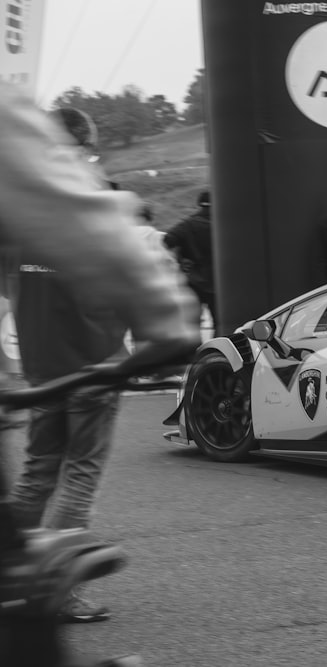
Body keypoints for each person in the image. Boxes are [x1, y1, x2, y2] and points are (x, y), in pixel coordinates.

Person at [0, 82, 200, 663]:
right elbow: (104, 241)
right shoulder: (26, 150)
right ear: (79, 146)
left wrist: (11, 367)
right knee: (79, 474)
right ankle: (57, 594)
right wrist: (166, 328)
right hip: (90, 369)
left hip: (36, 371)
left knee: (37, 474)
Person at [164, 191, 217, 336]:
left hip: (194, 280)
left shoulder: (187, 224)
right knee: (221, 322)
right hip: (221, 283)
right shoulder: (225, 224)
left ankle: (194, 354)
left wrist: (181, 259)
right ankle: (218, 353)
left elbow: (167, 240)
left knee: (192, 323)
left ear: (199, 204)